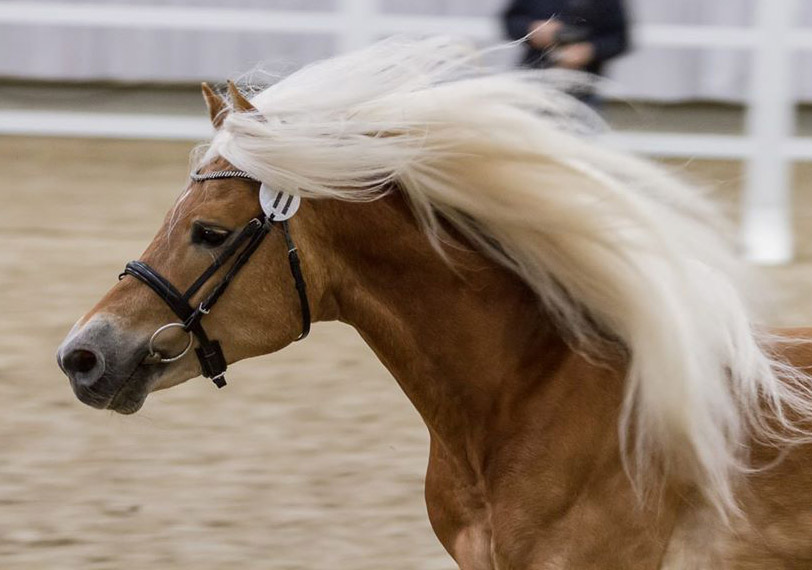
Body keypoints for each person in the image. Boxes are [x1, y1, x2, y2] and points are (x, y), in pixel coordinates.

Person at [502, 0, 629, 104]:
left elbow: (619, 39)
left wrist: (589, 50)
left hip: (583, 86)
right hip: (534, 76)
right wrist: (532, 29)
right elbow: (512, 20)